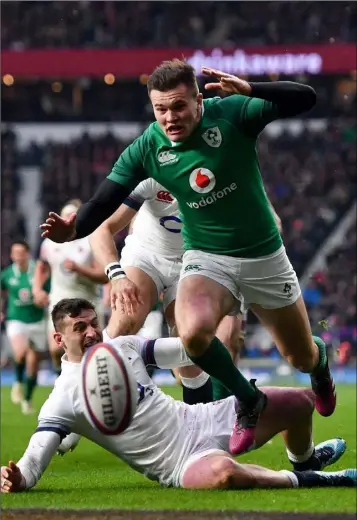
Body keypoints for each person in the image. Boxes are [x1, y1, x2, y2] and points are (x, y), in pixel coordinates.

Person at [40, 60, 336, 455]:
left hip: (263, 256)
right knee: (193, 333)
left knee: (298, 356)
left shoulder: (231, 113)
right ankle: (248, 400)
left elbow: (307, 98)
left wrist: (250, 88)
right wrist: (72, 230)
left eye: (178, 106)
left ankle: (319, 364)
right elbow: (103, 201)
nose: (169, 117)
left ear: (199, 100)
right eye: (160, 109)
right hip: (205, 257)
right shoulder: (149, 146)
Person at [1, 298, 354, 493]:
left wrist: (206, 331)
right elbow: (33, 464)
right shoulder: (61, 399)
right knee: (224, 476)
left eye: (94, 322)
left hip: (203, 418)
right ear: (59, 340)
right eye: (80, 328)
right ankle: (317, 478)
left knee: (301, 402)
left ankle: (305, 460)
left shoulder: (123, 346)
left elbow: (188, 351)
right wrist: (17, 478)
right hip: (178, 462)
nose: (93, 332)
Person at [89, 177, 249, 403]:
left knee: (190, 349)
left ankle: (202, 425)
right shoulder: (151, 173)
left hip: (193, 260)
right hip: (146, 255)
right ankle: (82, 400)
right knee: (124, 322)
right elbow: (102, 228)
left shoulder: (222, 178)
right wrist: (116, 276)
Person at [33, 200, 108, 375]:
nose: (68, 220)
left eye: (72, 216)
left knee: (89, 351)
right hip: (59, 299)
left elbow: (103, 276)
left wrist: (79, 269)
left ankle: (86, 387)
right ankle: (65, 378)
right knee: (56, 349)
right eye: (65, 216)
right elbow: (41, 268)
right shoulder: (50, 243)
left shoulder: (91, 241)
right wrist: (37, 289)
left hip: (87, 303)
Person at [0, 240, 48, 414]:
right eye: (15, 253)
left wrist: (43, 298)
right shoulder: (6, 274)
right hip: (16, 319)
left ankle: (27, 399)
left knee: (33, 363)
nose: (18, 256)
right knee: (20, 353)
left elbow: (47, 291)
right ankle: (18, 382)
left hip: (37, 320)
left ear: (27, 254)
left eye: (21, 252)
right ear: (12, 255)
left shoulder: (38, 271)